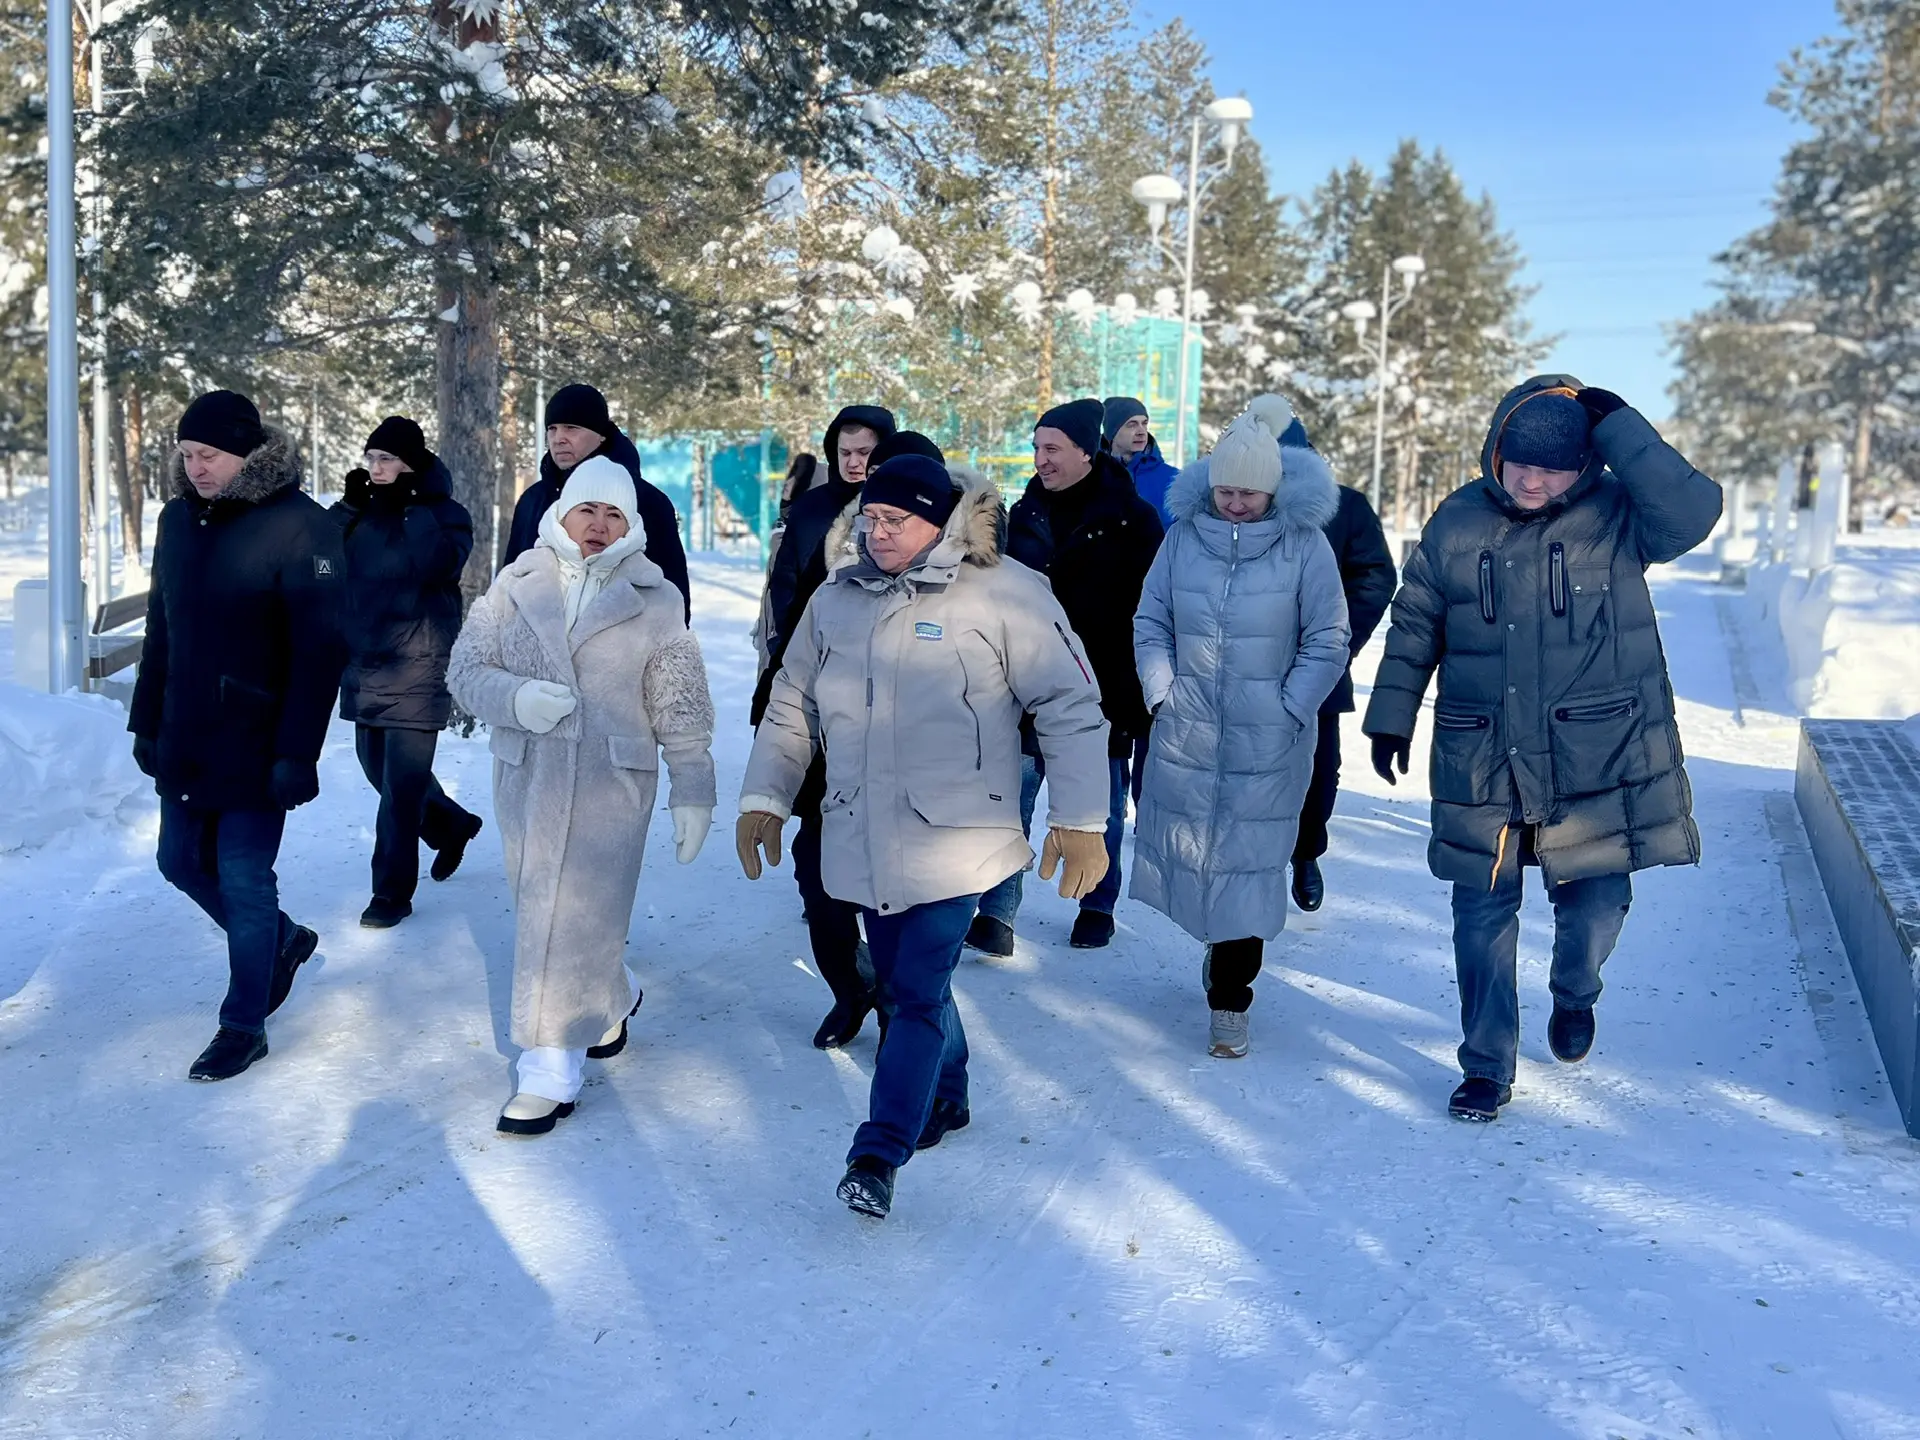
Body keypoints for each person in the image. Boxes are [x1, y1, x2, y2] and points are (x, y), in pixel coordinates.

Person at [737, 453, 1111, 1220]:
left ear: (940, 521)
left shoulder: (1005, 592)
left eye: (896, 520)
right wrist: (765, 797)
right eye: (869, 518)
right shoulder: (836, 599)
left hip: (960, 834)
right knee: (911, 980)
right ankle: (949, 1091)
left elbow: (1071, 707)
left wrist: (1080, 821)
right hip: (862, 830)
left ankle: (877, 1154)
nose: (876, 532)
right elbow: (792, 704)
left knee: (912, 992)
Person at [1361, 377, 1722, 1122]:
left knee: (1598, 905)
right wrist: (1390, 715)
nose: (1531, 481)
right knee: (1480, 916)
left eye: (1553, 469)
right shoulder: (1458, 519)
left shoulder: (1619, 515)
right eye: (1519, 463)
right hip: (1484, 756)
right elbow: (1417, 617)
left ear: (1585, 465)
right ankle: (1485, 1067)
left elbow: (1695, 512)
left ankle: (1575, 991)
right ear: (1496, 453)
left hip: (1595, 756)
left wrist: (1621, 427)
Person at [449, 457, 717, 1136]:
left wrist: (693, 786)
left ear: (631, 526)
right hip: (528, 780)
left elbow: (680, 702)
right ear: (561, 514)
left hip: (611, 785)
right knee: (550, 913)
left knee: (569, 918)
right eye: (586, 510)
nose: (598, 525)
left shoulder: (656, 599)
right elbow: (466, 669)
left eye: (613, 514)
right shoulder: (516, 583)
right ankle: (611, 996)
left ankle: (548, 1072)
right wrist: (515, 698)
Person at [128, 390, 347, 1082]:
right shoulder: (176, 519)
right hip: (186, 729)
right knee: (178, 861)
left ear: (247, 453)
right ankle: (285, 941)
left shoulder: (304, 527)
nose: (196, 467)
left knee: (245, 878)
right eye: (187, 454)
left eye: (210, 455)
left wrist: (297, 753)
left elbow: (319, 652)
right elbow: (161, 627)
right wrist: (145, 720)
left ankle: (243, 1025)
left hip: (259, 737)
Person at [1131, 395, 1350, 1059]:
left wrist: (1291, 705)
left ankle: (1231, 1000)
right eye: (1225, 491)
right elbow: (1151, 620)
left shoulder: (1304, 545)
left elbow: (1328, 636)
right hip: (1189, 727)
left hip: (1269, 736)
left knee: (1250, 866)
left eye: (1248, 494)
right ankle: (1218, 946)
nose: (1234, 505)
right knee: (1197, 854)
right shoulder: (1181, 538)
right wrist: (1162, 691)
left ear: (1273, 491)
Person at [966, 398, 1163, 957]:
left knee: (1100, 809)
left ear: (1085, 452)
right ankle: (997, 913)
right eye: (1036, 448)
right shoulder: (1022, 515)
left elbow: (1151, 612)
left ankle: (1097, 903)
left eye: (1052, 448)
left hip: (1103, 693)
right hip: (1025, 689)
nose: (1041, 459)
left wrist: (1135, 696)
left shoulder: (1133, 520)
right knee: (1011, 803)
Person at [748, 406, 900, 1050]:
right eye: (846, 450)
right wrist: (777, 681)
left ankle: (902, 1009)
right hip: (815, 703)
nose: (856, 461)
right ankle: (850, 986)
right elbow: (782, 597)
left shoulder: (911, 517)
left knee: (890, 880)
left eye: (868, 450)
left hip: (891, 722)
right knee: (815, 872)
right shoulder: (811, 512)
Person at [329, 417, 483, 928]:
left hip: (420, 665)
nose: (376, 468)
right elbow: (319, 564)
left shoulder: (444, 513)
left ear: (411, 464)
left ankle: (390, 894)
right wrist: (347, 509)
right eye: (371, 458)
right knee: (377, 770)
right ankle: (451, 824)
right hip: (366, 662)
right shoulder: (361, 513)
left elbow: (439, 565)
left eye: (387, 459)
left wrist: (414, 504)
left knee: (399, 790)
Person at [1277, 410, 1397, 913]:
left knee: (1318, 769)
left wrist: (1338, 642)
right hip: (1242, 666)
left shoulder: (1344, 506)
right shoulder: (1233, 504)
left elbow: (1376, 576)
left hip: (1318, 665)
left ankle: (1306, 852)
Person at [499, 383, 691, 622]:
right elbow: (509, 583)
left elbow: (673, 601)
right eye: (552, 429)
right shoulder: (533, 499)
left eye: (571, 428)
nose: (558, 439)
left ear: (601, 435)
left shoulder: (647, 501)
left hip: (622, 640)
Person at [1103, 395, 1180, 522]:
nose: (1141, 432)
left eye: (1144, 424)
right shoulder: (1089, 475)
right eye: (1132, 425)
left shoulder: (1173, 479)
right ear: (1112, 432)